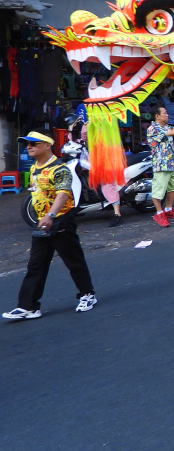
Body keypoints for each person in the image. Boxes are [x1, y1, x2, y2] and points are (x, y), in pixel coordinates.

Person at [3, 132, 97, 320]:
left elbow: (62, 194)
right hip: (43, 222)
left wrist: (51, 215)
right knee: (36, 264)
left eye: (33, 144)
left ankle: (88, 295)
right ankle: (28, 306)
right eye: (27, 144)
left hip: (60, 219)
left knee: (73, 259)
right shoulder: (34, 168)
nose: (29, 147)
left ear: (47, 145)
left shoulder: (59, 169)